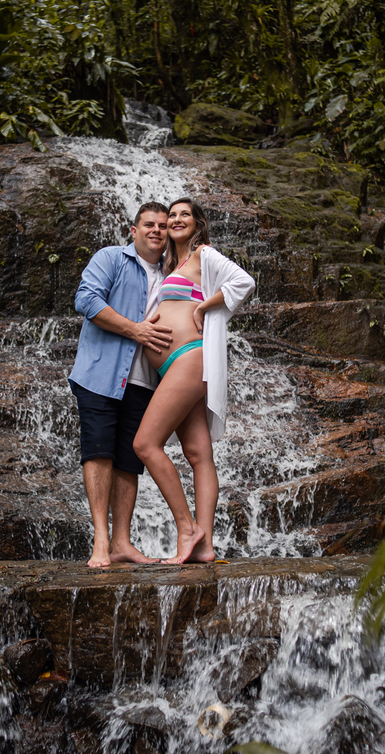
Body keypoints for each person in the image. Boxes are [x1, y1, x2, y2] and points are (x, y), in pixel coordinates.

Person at [132, 197, 255, 564]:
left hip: (189, 358)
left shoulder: (204, 254)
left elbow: (244, 281)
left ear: (197, 223)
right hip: (173, 365)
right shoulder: (173, 264)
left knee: (145, 444)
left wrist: (204, 305)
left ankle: (187, 528)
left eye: (184, 214)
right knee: (199, 454)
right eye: (172, 215)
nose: (176, 219)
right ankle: (205, 546)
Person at [69, 202, 174, 567]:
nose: (157, 230)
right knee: (99, 451)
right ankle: (100, 540)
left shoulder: (174, 272)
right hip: (101, 374)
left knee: (129, 460)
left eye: (163, 225)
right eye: (149, 224)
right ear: (134, 230)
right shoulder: (111, 258)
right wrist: (135, 330)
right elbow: (86, 299)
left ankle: (122, 543)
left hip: (146, 381)